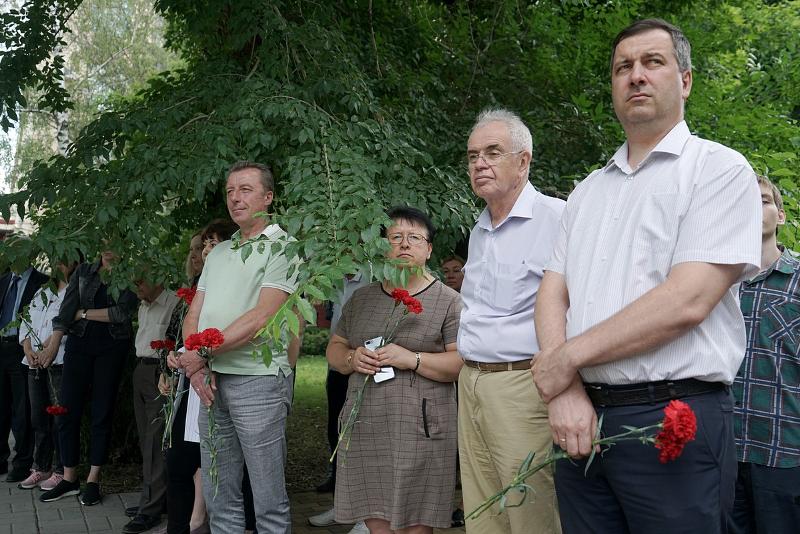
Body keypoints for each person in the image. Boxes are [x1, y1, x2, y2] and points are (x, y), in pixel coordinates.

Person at [531, 18, 762, 533]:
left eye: (652, 62)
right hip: (581, 418)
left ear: (685, 80)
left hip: (673, 419)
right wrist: (564, 390)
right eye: (623, 67)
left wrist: (563, 361)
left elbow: (687, 300)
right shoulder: (587, 191)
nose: (636, 75)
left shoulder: (719, 170)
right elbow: (552, 291)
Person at [458, 108, 564, 534]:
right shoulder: (480, 228)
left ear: (523, 161)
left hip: (523, 385)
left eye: (492, 152)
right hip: (470, 382)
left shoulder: (558, 218)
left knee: (529, 511)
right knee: (482, 512)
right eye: (472, 156)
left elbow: (581, 307)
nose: (479, 163)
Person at [178, 161, 299, 533]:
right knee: (219, 497)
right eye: (230, 191)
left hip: (259, 382)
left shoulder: (284, 247)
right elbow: (194, 313)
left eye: (245, 190)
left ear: (268, 196)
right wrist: (197, 364)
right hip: (212, 381)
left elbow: (262, 317)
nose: (235, 198)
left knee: (267, 500)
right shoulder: (219, 253)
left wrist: (200, 354)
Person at [328, 206, 462, 534]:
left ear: (429, 249)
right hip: (366, 424)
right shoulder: (361, 299)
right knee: (376, 519)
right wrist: (352, 359)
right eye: (395, 237)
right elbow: (335, 349)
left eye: (414, 238)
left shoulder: (448, 301)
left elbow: (459, 364)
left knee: (417, 522)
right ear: (382, 246)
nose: (404, 244)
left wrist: (411, 359)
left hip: (421, 427)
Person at [729, 175, 800, 534]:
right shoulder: (714, 283)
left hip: (784, 451)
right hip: (721, 452)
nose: (754, 208)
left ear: (781, 215)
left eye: (763, 200)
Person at [40, 249, 138, 504]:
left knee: (101, 413)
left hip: (112, 347)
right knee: (66, 411)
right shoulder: (84, 271)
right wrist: (53, 344)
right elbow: (67, 309)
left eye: (113, 235)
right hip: (79, 344)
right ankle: (69, 478)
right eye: (104, 235)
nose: (108, 243)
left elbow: (121, 313)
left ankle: (93, 479)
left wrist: (83, 313)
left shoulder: (129, 272)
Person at [123, 277, 180, 533]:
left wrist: (167, 374)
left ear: (156, 278)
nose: (136, 286)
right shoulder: (143, 305)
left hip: (160, 373)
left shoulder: (173, 302)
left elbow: (176, 341)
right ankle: (153, 498)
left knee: (156, 441)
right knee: (146, 439)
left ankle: (151, 509)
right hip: (141, 369)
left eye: (141, 281)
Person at [17, 259, 77, 491]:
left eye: (64, 259)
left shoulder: (74, 291)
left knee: (59, 419)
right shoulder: (43, 291)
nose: (58, 263)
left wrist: (48, 346)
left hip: (58, 361)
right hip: (34, 363)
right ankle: (41, 467)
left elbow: (69, 325)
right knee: (38, 418)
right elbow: (26, 321)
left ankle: (62, 470)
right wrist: (28, 349)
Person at [0, 261, 48, 482]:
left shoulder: (42, 282)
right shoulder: (3, 281)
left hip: (23, 349)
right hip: (1, 348)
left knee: (23, 410)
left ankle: (22, 462)